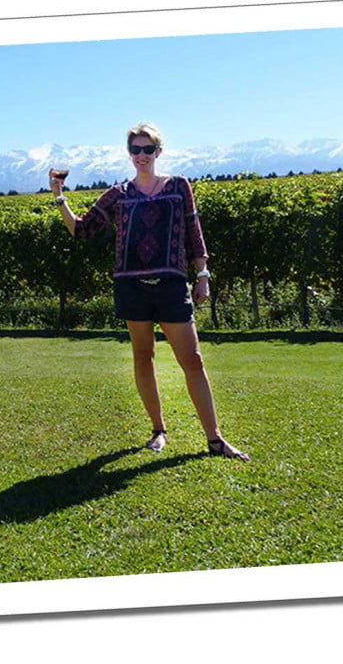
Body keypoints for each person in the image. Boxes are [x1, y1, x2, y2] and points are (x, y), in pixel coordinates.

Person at [48, 123, 250, 461]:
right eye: (136, 150)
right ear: (129, 154)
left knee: (193, 360)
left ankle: (215, 440)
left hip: (172, 285)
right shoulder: (118, 194)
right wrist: (59, 196)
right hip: (131, 286)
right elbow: (82, 230)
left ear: (159, 151)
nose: (142, 156)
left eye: (148, 149)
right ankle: (158, 430)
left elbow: (194, 232)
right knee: (144, 357)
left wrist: (202, 274)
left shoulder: (178, 186)